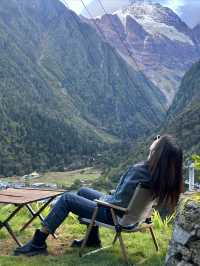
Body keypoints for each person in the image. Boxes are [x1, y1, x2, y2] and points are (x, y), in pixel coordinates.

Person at [14, 134, 184, 256]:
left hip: (115, 215)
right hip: (132, 217)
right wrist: (105, 198)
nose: (155, 139)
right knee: (82, 191)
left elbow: (118, 200)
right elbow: (126, 198)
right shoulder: (162, 176)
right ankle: (92, 239)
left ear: (158, 151)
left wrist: (102, 199)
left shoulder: (140, 170)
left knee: (67, 198)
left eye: (158, 140)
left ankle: (38, 243)